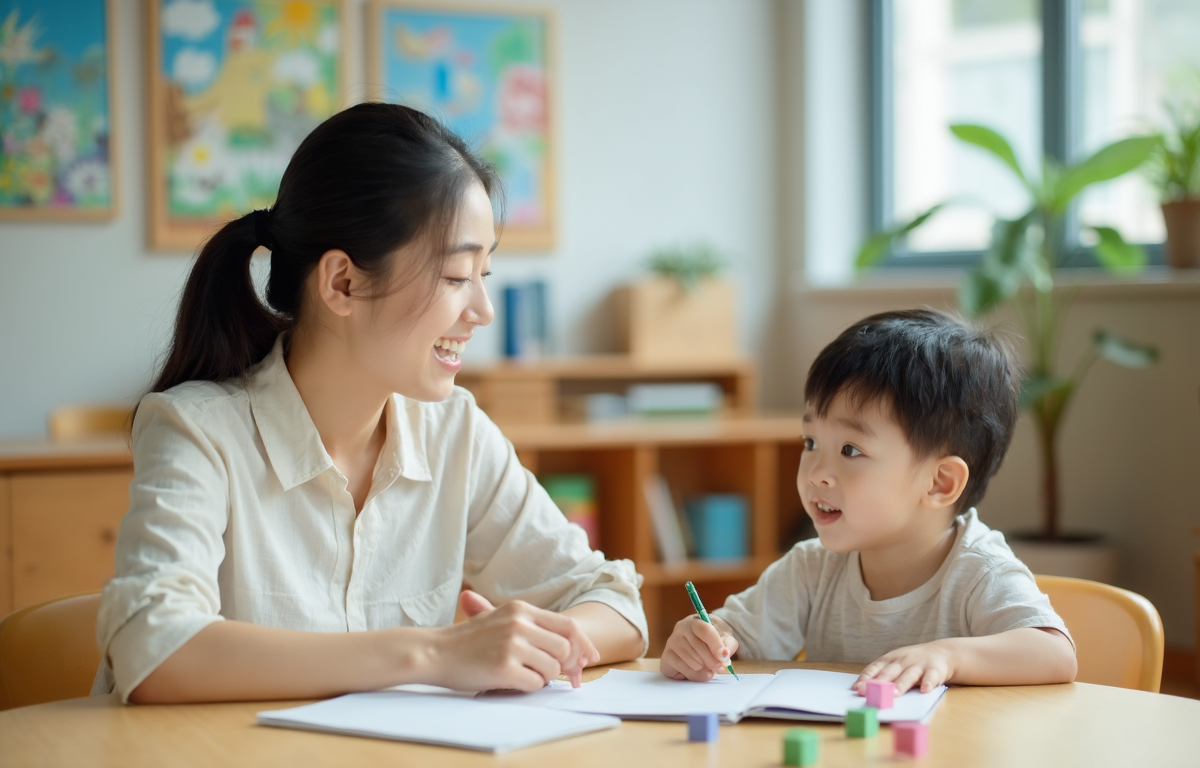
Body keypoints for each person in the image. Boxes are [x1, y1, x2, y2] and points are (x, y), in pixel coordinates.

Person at [93, 103, 646, 704]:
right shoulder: (196, 431)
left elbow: (615, 605)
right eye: (458, 275)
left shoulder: (455, 431)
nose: (482, 310)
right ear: (342, 284)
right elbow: (155, 651)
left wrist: (531, 641)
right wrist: (437, 653)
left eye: (485, 273)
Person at [660, 309, 1077, 694]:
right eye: (811, 442)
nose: (816, 472)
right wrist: (705, 640)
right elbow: (737, 638)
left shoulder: (979, 573)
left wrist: (949, 656)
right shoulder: (811, 568)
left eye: (850, 450)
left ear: (938, 482)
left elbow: (1054, 654)